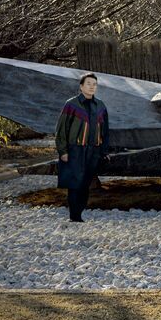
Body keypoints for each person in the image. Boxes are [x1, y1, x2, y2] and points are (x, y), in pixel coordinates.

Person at [55, 73, 109, 222]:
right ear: (81, 86)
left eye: (94, 84)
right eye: (89, 84)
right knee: (74, 182)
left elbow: (105, 131)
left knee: (86, 183)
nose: (92, 87)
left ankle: (79, 212)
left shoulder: (101, 106)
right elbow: (61, 130)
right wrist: (63, 151)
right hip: (75, 150)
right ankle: (75, 216)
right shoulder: (71, 104)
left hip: (94, 150)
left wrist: (104, 151)